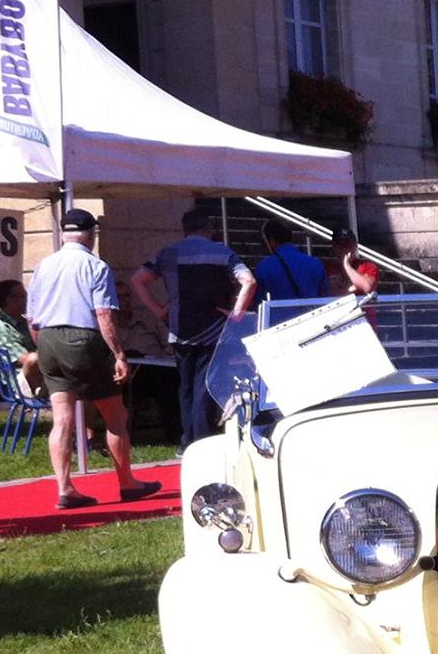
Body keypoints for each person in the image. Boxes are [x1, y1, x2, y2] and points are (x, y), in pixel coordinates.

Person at [30, 208, 161, 511]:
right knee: (115, 416)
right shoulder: (96, 266)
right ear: (91, 236)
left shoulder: (43, 265)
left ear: (63, 234)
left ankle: (65, 488)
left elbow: (32, 318)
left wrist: (45, 345)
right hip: (83, 338)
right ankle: (127, 483)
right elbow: (104, 315)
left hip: (48, 338)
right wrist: (118, 354)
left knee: (61, 419)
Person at [131, 209, 255, 446]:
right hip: (214, 329)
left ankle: (186, 439)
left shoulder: (168, 253)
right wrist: (237, 314)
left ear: (184, 229)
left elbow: (138, 279)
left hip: (179, 328)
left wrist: (158, 310)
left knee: (185, 386)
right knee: (204, 384)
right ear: (208, 229)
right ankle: (200, 439)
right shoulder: (222, 252)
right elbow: (249, 280)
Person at [0, 279, 41, 393]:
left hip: (39, 375)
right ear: (10, 300)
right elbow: (28, 360)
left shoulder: (25, 322)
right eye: (23, 296)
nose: (27, 300)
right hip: (18, 384)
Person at [253, 221, 327, 303]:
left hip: (280, 315)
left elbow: (258, 302)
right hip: (314, 315)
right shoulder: (316, 263)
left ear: (272, 241)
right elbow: (325, 296)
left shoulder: (263, 267)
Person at [321, 227, 380, 299]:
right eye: (340, 245)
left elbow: (368, 287)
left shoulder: (368, 266)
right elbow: (325, 294)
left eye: (348, 244)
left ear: (355, 246)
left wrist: (346, 265)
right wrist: (352, 288)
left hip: (362, 308)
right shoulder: (326, 269)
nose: (344, 248)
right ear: (334, 247)